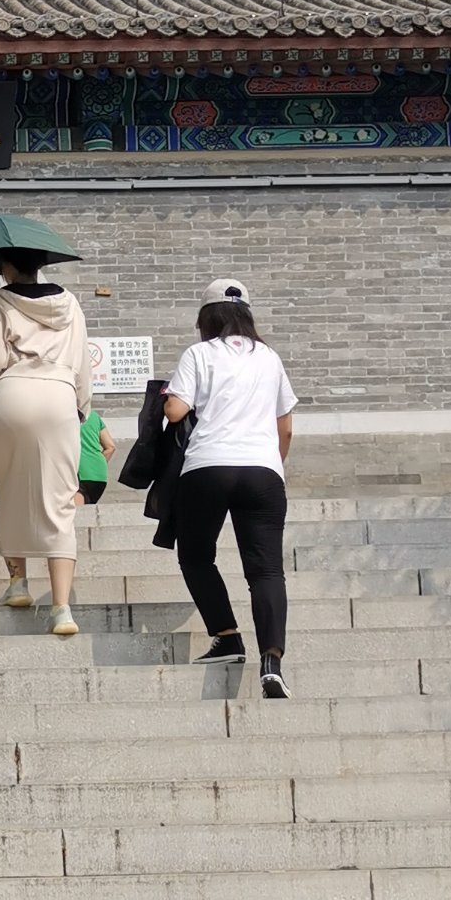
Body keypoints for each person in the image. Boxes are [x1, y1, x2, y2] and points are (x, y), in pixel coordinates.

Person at [163, 281, 298, 698]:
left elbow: (175, 409)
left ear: (207, 318)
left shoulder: (199, 354)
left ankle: (227, 635)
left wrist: (169, 395)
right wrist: (271, 462)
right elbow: (286, 425)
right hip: (263, 470)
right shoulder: (269, 357)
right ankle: (271, 663)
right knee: (267, 571)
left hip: (208, 467)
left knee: (197, 556)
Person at [0, 247, 91, 635]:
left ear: (6, 267)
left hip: (14, 392)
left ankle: (18, 583)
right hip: (59, 394)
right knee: (59, 499)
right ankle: (61, 608)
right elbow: (83, 361)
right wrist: (81, 410)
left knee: (9, 490)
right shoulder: (69, 303)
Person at [77, 403, 114, 506]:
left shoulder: (65, 416)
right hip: (99, 476)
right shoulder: (93, 416)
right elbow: (110, 447)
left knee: (76, 517)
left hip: (79, 475)